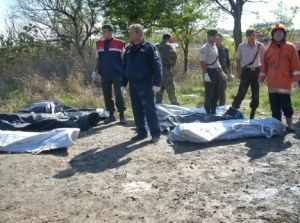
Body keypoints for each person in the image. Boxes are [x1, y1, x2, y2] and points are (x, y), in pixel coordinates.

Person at [121, 24, 162, 143]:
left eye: (132, 33)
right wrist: (123, 84)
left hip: (146, 83)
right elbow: (125, 68)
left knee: (150, 109)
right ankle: (141, 132)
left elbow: (157, 66)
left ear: (139, 34)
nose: (130, 35)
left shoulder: (150, 48)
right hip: (133, 84)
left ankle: (155, 133)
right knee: (137, 109)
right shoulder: (129, 49)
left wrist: (157, 83)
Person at [258, 24, 300, 132]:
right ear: (273, 35)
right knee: (274, 107)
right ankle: (277, 126)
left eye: (280, 32)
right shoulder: (268, 50)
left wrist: (296, 79)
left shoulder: (290, 47)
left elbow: (296, 64)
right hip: (272, 84)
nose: (278, 34)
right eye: (276, 33)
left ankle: (289, 124)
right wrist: (260, 80)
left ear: (284, 34)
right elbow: (264, 67)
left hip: (284, 82)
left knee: (286, 106)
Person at [92, 24, 127, 125]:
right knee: (107, 95)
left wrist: (125, 73)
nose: (104, 33)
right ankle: (111, 115)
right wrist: (94, 71)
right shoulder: (99, 44)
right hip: (104, 73)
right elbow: (97, 58)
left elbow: (124, 60)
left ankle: (122, 115)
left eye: (105, 31)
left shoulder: (119, 43)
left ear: (111, 32)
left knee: (119, 94)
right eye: (103, 31)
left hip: (117, 73)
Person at [231, 29, 266, 119]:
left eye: (254, 35)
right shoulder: (242, 46)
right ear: (247, 36)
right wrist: (238, 71)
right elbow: (238, 59)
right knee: (241, 92)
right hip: (246, 71)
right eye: (250, 35)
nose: (252, 37)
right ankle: (234, 109)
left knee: (255, 93)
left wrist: (263, 70)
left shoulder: (260, 45)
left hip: (256, 72)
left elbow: (265, 57)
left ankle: (253, 112)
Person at [199, 29, 228, 115]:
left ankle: (214, 110)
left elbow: (217, 61)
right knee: (209, 93)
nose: (215, 38)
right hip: (209, 72)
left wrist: (222, 72)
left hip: (216, 72)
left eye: (216, 36)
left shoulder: (215, 47)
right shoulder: (205, 48)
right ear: (208, 37)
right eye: (213, 36)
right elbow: (202, 62)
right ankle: (208, 111)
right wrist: (205, 74)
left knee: (216, 93)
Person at [155, 34, 180, 105]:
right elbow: (173, 55)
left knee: (159, 90)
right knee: (170, 89)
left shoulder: (156, 46)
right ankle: (175, 105)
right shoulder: (170, 46)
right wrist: (172, 64)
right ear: (169, 38)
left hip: (157, 71)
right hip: (166, 70)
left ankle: (158, 105)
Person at [216, 33, 234, 106]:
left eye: (218, 38)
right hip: (215, 72)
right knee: (215, 90)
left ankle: (222, 106)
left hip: (224, 72)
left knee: (223, 90)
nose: (217, 40)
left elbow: (228, 62)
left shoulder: (225, 49)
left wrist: (230, 73)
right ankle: (214, 106)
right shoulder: (212, 48)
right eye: (216, 38)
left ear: (221, 39)